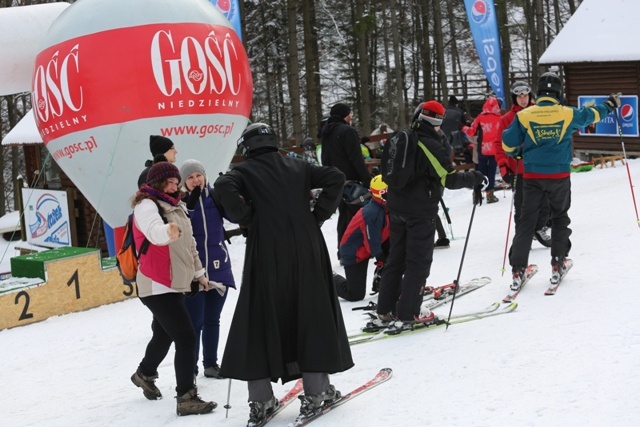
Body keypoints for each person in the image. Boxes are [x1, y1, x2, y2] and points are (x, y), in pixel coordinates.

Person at [212, 123, 353, 426]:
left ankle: (261, 401)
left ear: (247, 147)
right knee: (310, 312)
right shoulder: (297, 165)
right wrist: (319, 215)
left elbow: (222, 187)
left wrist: (247, 217)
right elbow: (336, 177)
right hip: (306, 245)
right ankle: (318, 392)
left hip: (266, 251)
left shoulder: (244, 172)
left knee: (259, 316)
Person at [375, 101, 486, 332]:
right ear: (438, 122)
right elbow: (449, 179)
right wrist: (475, 178)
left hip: (397, 207)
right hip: (419, 211)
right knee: (418, 262)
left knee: (397, 258)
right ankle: (409, 313)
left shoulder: (403, 136)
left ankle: (385, 309)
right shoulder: (428, 143)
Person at [503, 71, 620, 287]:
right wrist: (611, 104)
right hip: (558, 176)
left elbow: (508, 141)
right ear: (559, 92)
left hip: (532, 177)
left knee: (526, 222)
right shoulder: (567, 113)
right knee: (559, 217)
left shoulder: (525, 115)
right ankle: (558, 263)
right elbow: (592, 115)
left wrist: (515, 154)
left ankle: (518, 270)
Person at [130, 161, 216, 416]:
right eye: (169, 182)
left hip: (174, 282)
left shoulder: (176, 205)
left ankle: (144, 373)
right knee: (186, 337)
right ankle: (186, 397)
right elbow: (156, 233)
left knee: (164, 333)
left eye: (176, 182)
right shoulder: (146, 205)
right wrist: (167, 231)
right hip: (156, 284)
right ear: (156, 183)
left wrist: (199, 273)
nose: (174, 186)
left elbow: (189, 244)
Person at [179, 159, 236, 380]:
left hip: (218, 265)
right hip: (194, 270)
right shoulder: (181, 203)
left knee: (213, 318)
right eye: (190, 177)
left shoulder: (215, 196)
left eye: (198, 175)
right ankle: (190, 369)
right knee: (195, 323)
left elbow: (233, 215)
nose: (195, 180)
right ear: (184, 182)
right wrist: (189, 205)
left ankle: (211, 364)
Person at [495, 80, 551, 247]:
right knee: (522, 205)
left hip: (540, 167)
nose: (523, 99)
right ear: (514, 98)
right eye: (519, 96)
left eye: (525, 95)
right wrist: (503, 166)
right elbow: (499, 143)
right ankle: (522, 236)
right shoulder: (507, 119)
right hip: (518, 169)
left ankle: (539, 228)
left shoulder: (539, 112)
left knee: (546, 201)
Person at [321, 103, 372, 249]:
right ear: (345, 114)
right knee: (358, 214)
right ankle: (354, 248)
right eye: (350, 113)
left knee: (344, 215)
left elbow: (325, 158)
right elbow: (356, 158)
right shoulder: (347, 131)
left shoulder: (326, 132)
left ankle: (343, 248)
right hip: (350, 181)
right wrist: (366, 178)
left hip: (335, 179)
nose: (352, 116)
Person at [337, 175, 390, 301]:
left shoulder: (385, 207)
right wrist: (381, 258)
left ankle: (383, 280)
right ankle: (328, 277)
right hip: (354, 253)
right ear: (381, 194)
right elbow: (372, 241)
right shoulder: (372, 213)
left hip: (367, 248)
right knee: (355, 295)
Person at [466, 96, 502, 204]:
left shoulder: (480, 117)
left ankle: (477, 193)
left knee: (480, 172)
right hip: (494, 150)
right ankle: (490, 194)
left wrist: (463, 128)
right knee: (491, 172)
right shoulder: (500, 118)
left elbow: (471, 131)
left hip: (482, 150)